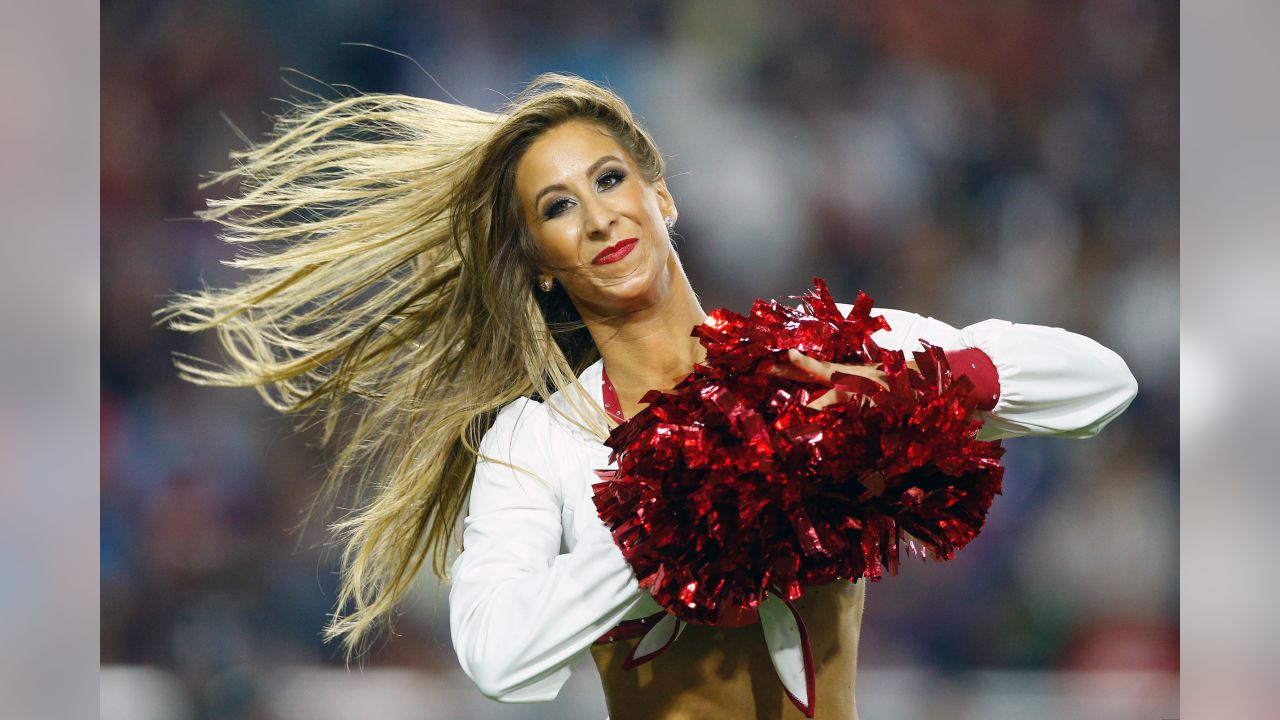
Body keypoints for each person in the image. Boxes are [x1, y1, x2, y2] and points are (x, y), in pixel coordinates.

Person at [161, 73, 1137, 720]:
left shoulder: (814, 352)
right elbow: (498, 658)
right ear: (543, 265)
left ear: (660, 194)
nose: (595, 217)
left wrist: (912, 389)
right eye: (555, 208)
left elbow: (1102, 382)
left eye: (608, 178)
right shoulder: (540, 439)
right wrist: (661, 531)